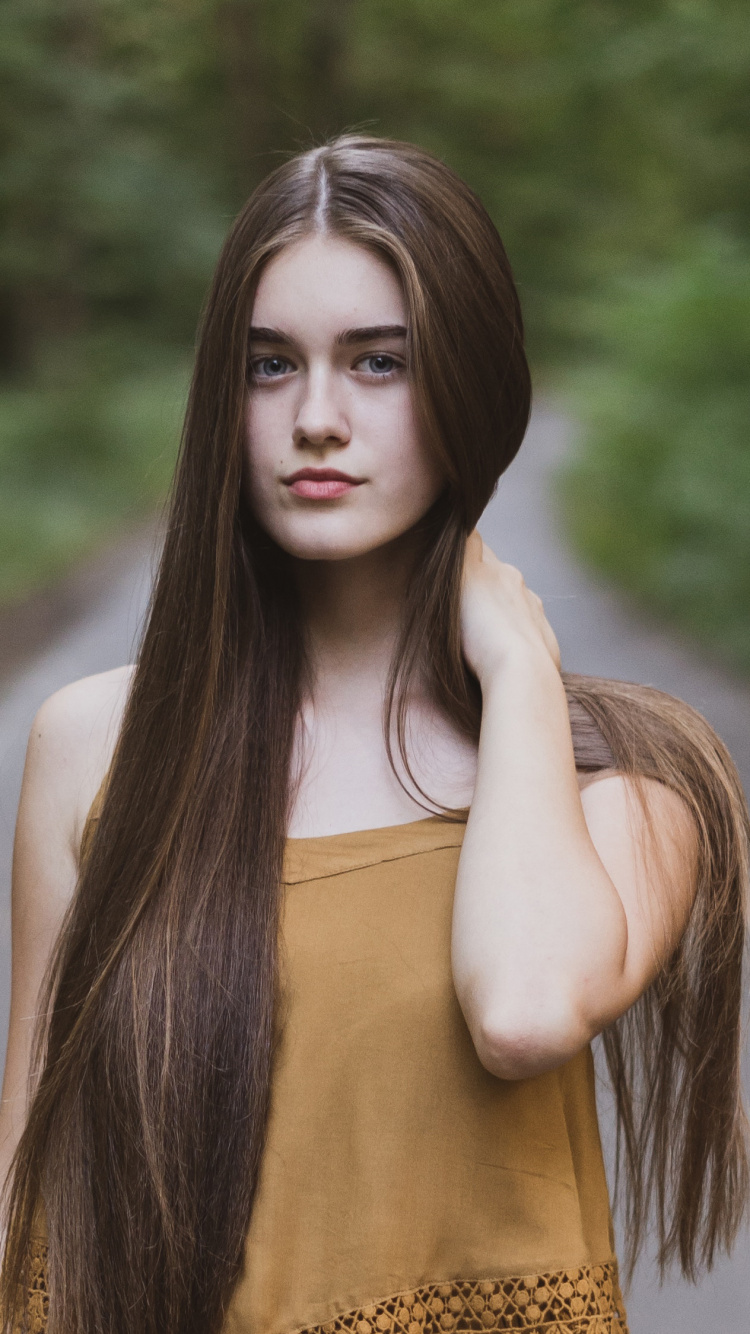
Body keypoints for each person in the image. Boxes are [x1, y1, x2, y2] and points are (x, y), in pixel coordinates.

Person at [1, 135, 748, 1334]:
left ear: (469, 382)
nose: (316, 418)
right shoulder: (96, 747)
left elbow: (521, 1008)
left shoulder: (635, 776)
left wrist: (515, 669)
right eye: (268, 365)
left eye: (379, 361)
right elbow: (26, 1206)